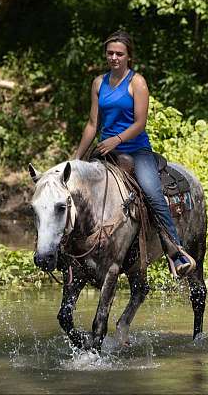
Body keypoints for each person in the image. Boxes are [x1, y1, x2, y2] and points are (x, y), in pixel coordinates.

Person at [74, 30, 193, 276]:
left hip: (135, 151)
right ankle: (71, 250)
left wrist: (116, 140)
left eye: (119, 54)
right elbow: (91, 124)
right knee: (78, 192)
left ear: (129, 57)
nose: (114, 58)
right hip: (106, 152)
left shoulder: (136, 82)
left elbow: (140, 123)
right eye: (110, 53)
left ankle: (175, 250)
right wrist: (76, 159)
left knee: (151, 191)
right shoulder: (99, 83)